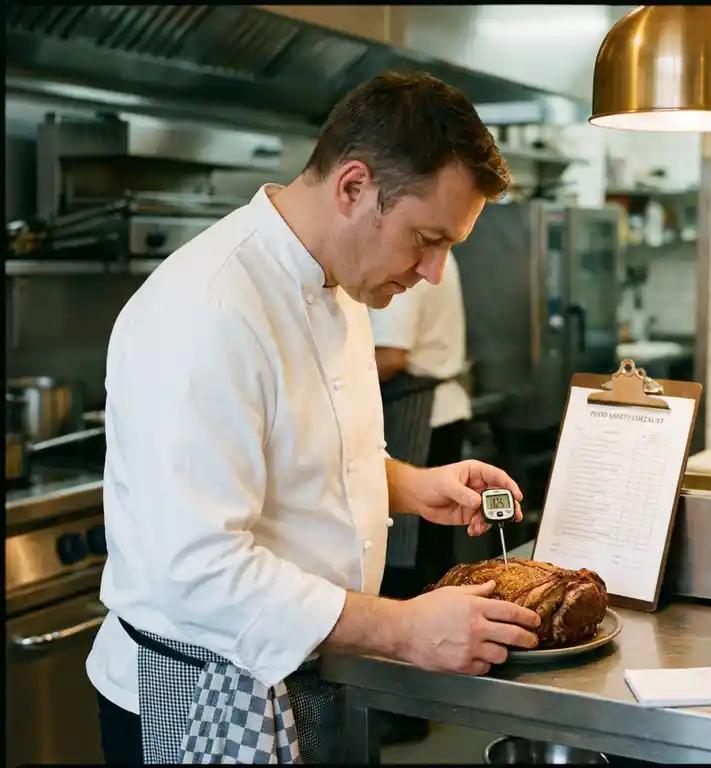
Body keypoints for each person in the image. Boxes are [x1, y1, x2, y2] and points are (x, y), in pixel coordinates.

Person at [85, 71, 541, 765]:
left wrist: (408, 484)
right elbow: (199, 568)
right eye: (427, 239)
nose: (435, 274)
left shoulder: (340, 281)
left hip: (309, 671)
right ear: (354, 187)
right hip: (202, 694)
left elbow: (290, 449)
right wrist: (403, 629)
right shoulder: (208, 309)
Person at [371, 253, 472, 599]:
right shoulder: (425, 245)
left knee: (411, 562)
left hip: (420, 418)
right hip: (434, 412)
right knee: (427, 552)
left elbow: (390, 355)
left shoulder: (409, 257)